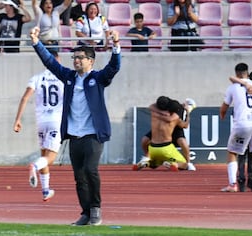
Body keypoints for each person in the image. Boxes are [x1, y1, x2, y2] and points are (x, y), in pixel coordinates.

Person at [30, 26, 121, 225]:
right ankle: (85, 212)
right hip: (74, 135)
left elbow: (113, 68)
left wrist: (116, 46)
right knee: (79, 176)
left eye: (80, 57)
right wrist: (36, 42)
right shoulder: (69, 77)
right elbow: (51, 63)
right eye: (74, 57)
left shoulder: (97, 78)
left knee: (90, 170)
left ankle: (96, 209)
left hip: (92, 135)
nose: (76, 60)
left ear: (90, 60)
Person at [13, 50, 63, 201]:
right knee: (51, 158)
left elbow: (25, 97)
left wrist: (18, 119)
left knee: (44, 156)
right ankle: (34, 166)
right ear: (56, 60)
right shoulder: (63, 77)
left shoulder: (37, 77)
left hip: (41, 122)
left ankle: (46, 190)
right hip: (56, 120)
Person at [220, 66, 252, 193]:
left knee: (232, 153)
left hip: (242, 124)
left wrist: (222, 116)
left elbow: (224, 107)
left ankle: (233, 184)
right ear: (247, 73)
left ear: (237, 74)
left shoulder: (232, 87)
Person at [136, 96, 196, 171]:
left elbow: (172, 120)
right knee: (144, 140)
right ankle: (150, 158)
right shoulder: (168, 114)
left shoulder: (157, 113)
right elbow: (184, 124)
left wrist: (186, 111)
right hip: (165, 146)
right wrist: (164, 115)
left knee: (183, 142)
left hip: (156, 145)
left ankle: (147, 162)